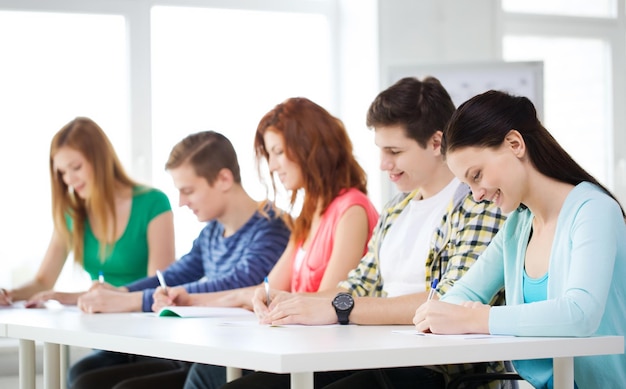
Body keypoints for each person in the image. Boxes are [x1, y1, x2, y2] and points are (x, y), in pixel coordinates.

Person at [216, 77, 508, 389]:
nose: (384, 164)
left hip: (436, 370)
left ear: (437, 143)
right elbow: (357, 286)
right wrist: (295, 303)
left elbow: (451, 302)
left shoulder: (480, 202)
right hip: (377, 357)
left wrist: (341, 308)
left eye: (394, 151)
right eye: (381, 151)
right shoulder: (396, 210)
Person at [158, 97, 379, 389]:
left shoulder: (352, 209)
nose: (273, 166)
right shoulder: (308, 216)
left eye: (278, 152)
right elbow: (266, 289)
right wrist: (191, 300)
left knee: (208, 375)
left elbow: (331, 299)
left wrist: (273, 298)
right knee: (206, 372)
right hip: (298, 347)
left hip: (325, 357)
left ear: (309, 148)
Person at [413, 90, 626, 389]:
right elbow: (459, 296)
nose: (477, 194)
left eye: (477, 175)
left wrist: (477, 318)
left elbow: (580, 314)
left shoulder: (594, 210)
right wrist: (442, 313)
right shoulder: (518, 226)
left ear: (515, 144)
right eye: (467, 184)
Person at [69, 130, 292, 389]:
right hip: (210, 353)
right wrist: (121, 291)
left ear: (223, 179)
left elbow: (239, 282)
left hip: (246, 360)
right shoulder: (211, 233)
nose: (181, 202)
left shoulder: (272, 225)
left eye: (188, 191)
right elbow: (174, 275)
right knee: (87, 378)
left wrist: (132, 300)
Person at [0, 117, 175, 307]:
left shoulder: (153, 203)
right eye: (62, 172)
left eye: (76, 167)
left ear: (100, 159)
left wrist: (70, 297)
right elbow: (43, 281)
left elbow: (158, 288)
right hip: (95, 319)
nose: (69, 179)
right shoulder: (72, 213)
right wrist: (9, 293)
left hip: (143, 322)